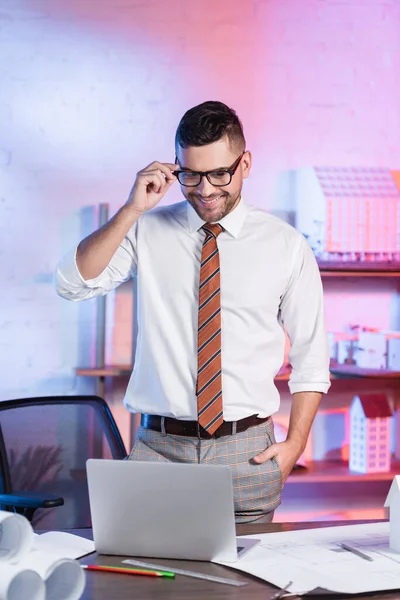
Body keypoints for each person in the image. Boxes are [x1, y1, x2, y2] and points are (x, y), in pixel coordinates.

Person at [56, 100, 330, 523]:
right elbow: (73, 284)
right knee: (144, 585)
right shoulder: (146, 229)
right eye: (191, 175)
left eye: (220, 173)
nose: (205, 190)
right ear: (175, 167)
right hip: (158, 450)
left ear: (246, 163)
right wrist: (131, 210)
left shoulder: (286, 245)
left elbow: (311, 359)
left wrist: (294, 444)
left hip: (247, 452)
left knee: (243, 588)